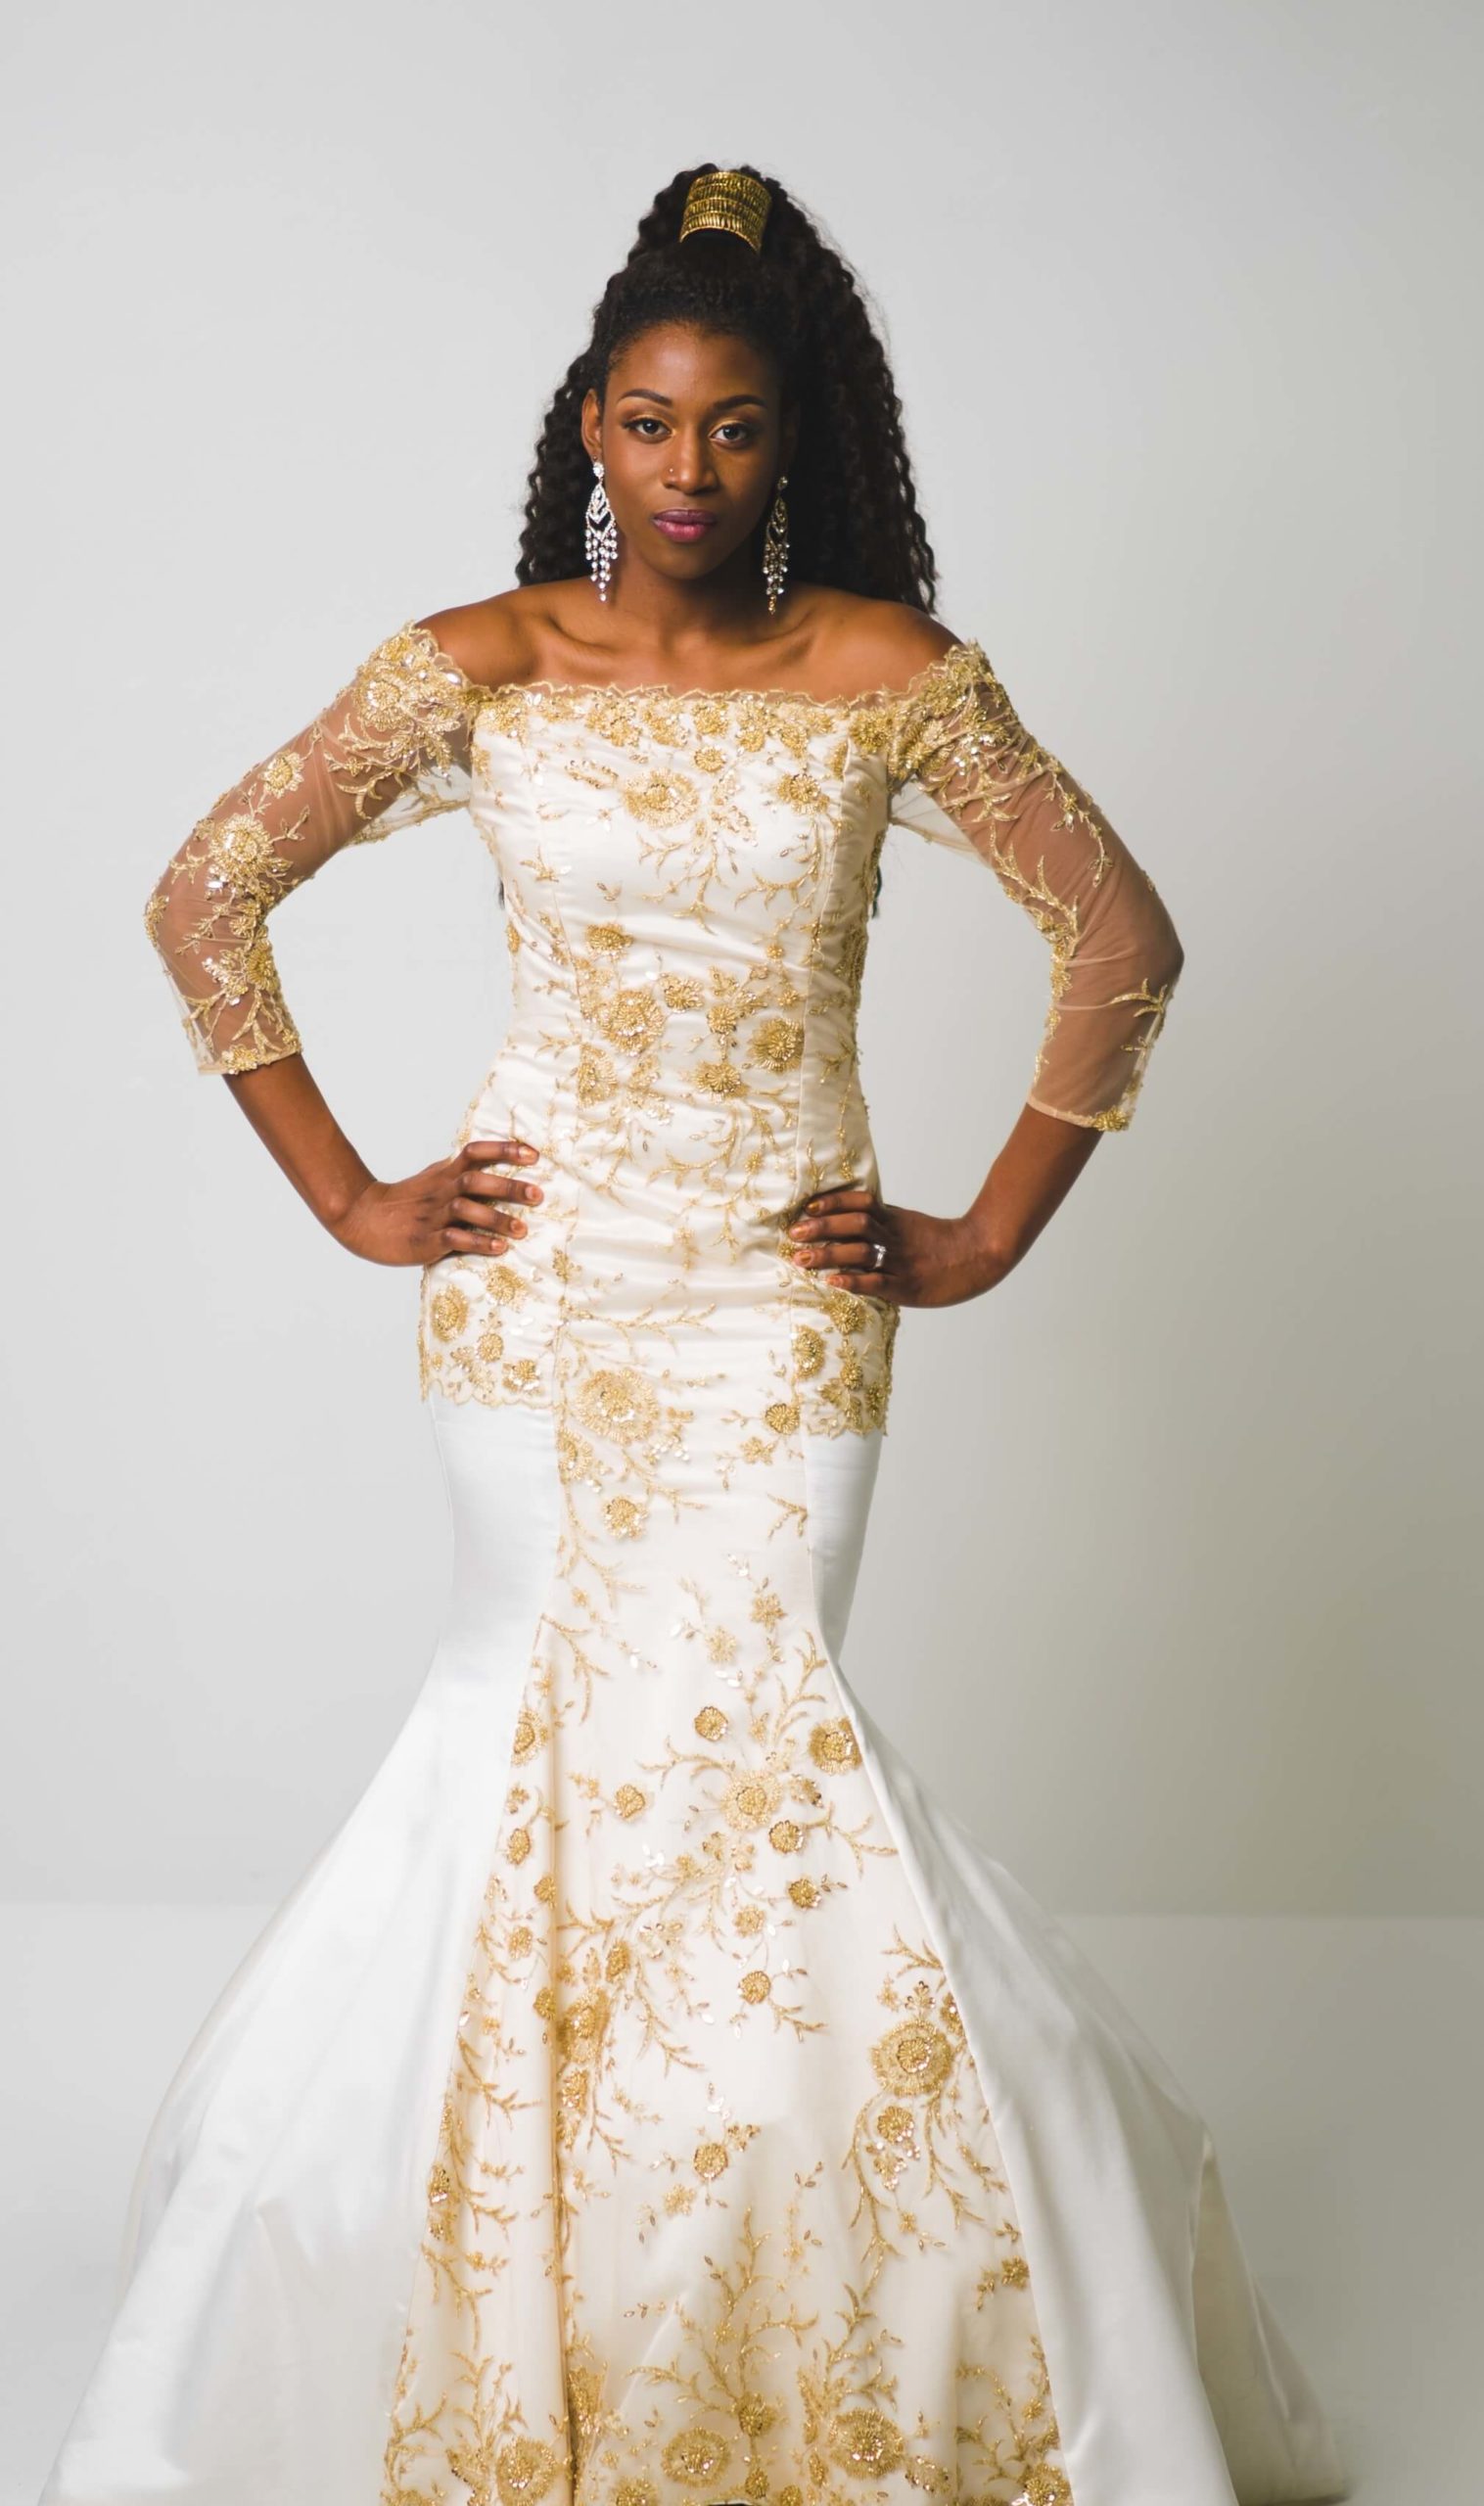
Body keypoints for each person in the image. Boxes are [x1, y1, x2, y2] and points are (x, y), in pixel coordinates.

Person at [40, 165, 1349, 2506]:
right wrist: (349, 1192)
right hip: (537, 1307)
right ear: (586, 423)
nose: (683, 470)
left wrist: (987, 1227)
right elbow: (205, 888)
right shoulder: (478, 664)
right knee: (516, 1741)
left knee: (759, 1754)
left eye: (732, 429)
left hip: (775, 1309)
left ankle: (802, 2324)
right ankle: (464, 2310)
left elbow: (1118, 937)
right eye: (643, 423)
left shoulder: (888, 676)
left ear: (789, 440)